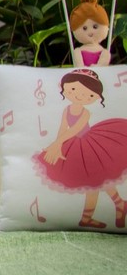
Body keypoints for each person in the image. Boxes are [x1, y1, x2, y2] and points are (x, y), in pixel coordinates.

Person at [34, 68, 127, 229]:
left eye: (89, 95)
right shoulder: (67, 109)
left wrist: (58, 143)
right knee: (99, 180)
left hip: (90, 145)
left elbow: (74, 130)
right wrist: (56, 144)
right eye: (73, 89)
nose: (79, 95)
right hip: (74, 144)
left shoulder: (85, 112)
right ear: (64, 88)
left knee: (94, 182)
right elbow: (63, 128)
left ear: (95, 97)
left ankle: (90, 216)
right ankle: (119, 205)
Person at [69, 0, 113, 67]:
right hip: (83, 73)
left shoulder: (104, 52)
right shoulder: (78, 51)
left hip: (99, 73)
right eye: (84, 28)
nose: (90, 32)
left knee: (106, 54)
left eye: (95, 27)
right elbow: (79, 65)